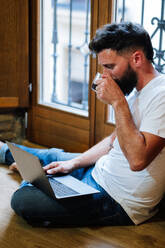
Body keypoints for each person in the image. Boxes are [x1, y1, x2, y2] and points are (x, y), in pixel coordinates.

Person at [1, 21, 165, 227]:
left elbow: (137, 161)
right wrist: (74, 164)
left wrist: (117, 102)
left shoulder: (161, 95)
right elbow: (111, 142)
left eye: (110, 67)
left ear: (137, 58)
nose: (105, 76)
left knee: (23, 200)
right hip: (100, 171)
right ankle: (7, 153)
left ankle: (34, 178)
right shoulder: (137, 92)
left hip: (117, 199)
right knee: (56, 157)